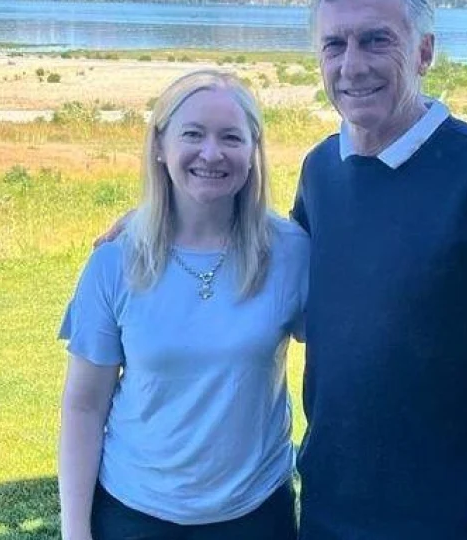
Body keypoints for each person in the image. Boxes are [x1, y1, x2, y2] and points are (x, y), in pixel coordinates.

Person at [99, 0, 467, 536]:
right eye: (335, 44)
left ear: (424, 52)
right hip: (328, 512)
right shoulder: (322, 170)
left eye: (376, 40)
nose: (352, 65)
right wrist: (163, 218)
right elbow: (265, 258)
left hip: (447, 519)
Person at [58, 69, 308, 540]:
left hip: (255, 515)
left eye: (231, 137)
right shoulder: (115, 262)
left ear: (253, 152)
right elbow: (84, 406)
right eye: (192, 134)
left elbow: (351, 349)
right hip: (134, 512)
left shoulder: (290, 252)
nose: (211, 153)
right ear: (160, 144)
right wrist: (75, 530)